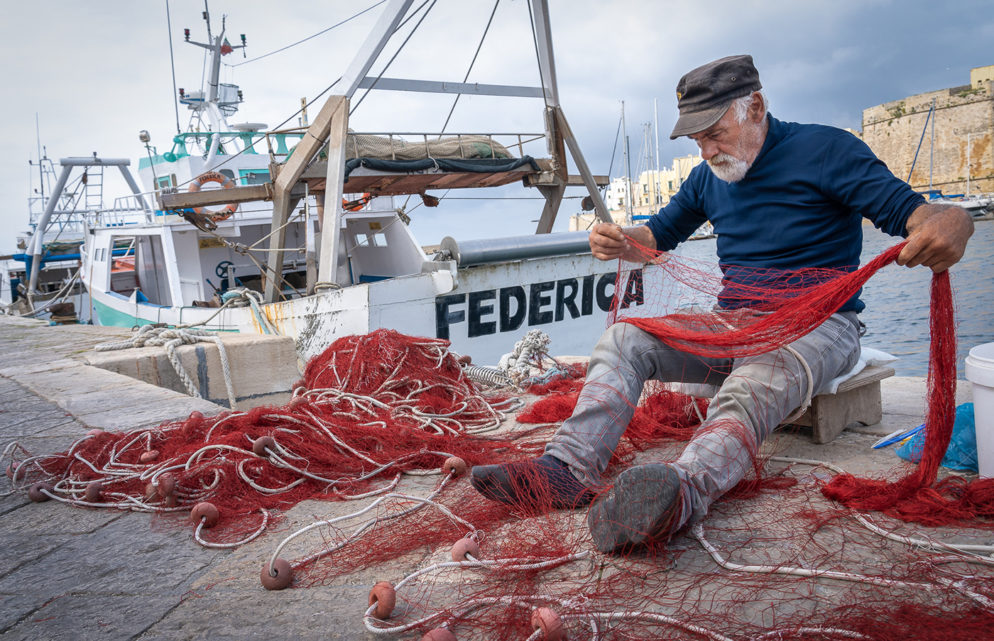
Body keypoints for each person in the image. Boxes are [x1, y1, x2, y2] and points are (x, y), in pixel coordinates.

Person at [470, 54, 974, 554]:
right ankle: (567, 469)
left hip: (822, 323)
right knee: (623, 338)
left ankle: (682, 492)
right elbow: (657, 237)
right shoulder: (707, 177)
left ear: (754, 107)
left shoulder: (827, 150)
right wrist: (621, 241)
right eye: (696, 139)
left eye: (714, 133)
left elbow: (914, 213)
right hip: (735, 322)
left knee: (753, 381)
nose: (706, 149)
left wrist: (953, 222)